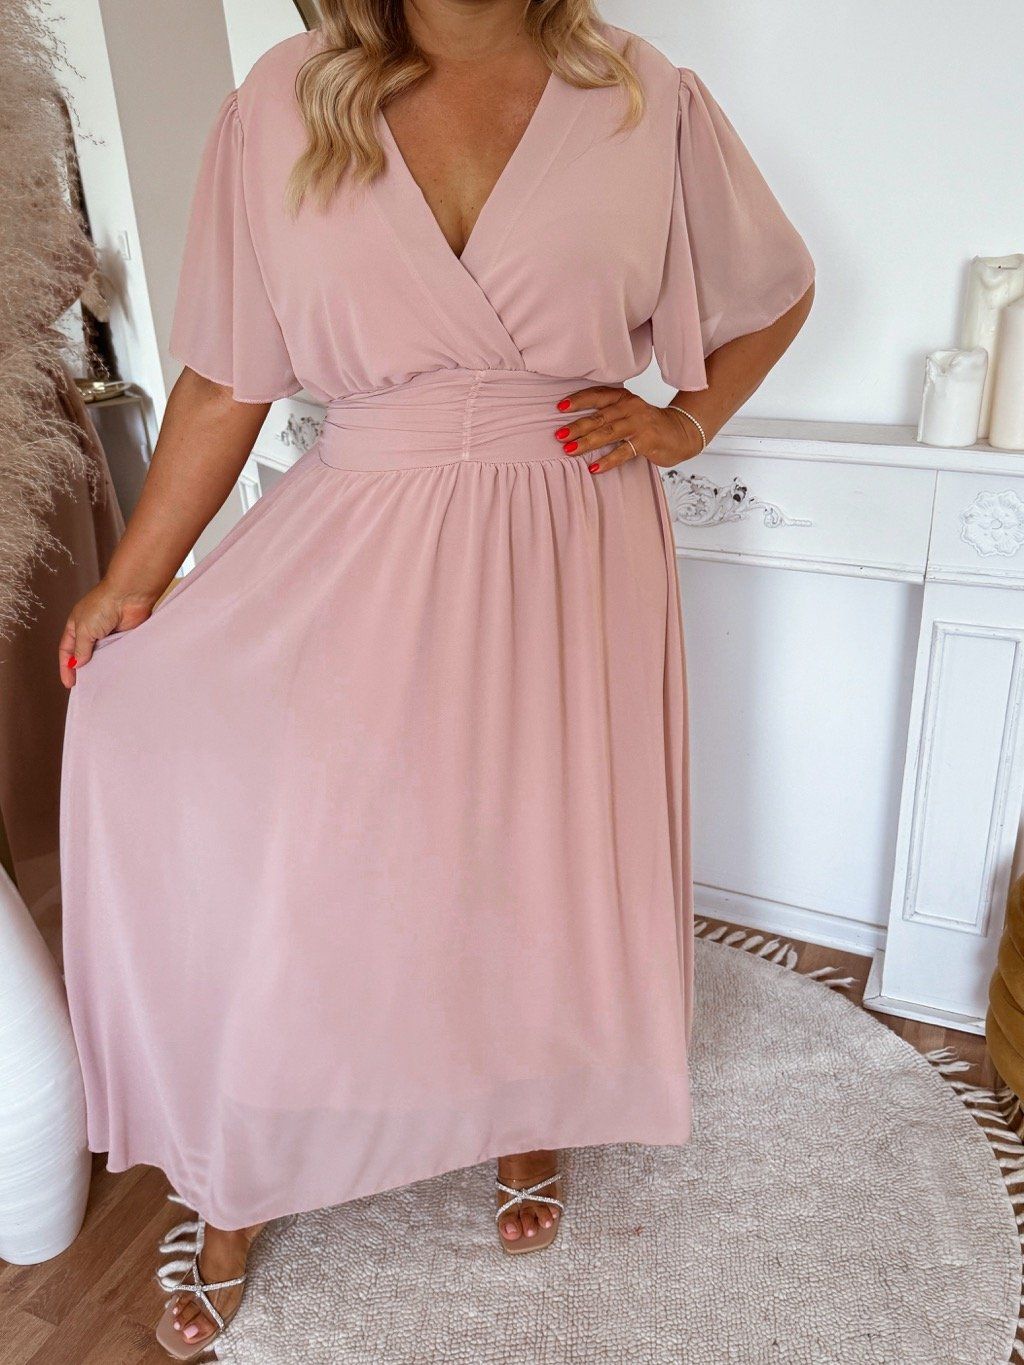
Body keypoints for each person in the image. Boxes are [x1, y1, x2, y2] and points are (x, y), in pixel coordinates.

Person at [59, 1, 814, 1356]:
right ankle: (238, 1186)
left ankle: (526, 1114)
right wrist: (137, 577)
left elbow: (775, 289)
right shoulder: (285, 97)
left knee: (527, 846)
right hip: (365, 532)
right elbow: (228, 379)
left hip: (571, 530)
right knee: (312, 863)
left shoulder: (643, 93)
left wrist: (688, 419)